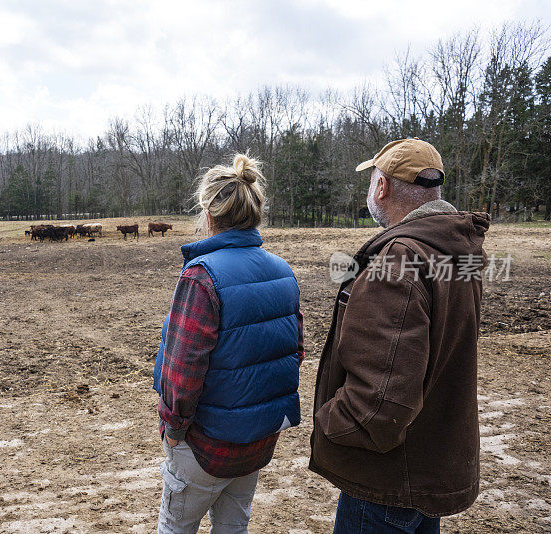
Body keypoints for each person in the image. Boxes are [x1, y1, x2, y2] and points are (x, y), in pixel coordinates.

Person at [309, 138, 490, 533]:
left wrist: (332, 422)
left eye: (372, 179)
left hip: (386, 475)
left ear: (382, 187)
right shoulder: (456, 249)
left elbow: (381, 399)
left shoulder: (398, 258)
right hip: (430, 457)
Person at [153, 154, 304, 534]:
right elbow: (294, 353)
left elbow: (182, 369)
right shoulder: (283, 271)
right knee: (234, 527)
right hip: (256, 441)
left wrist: (173, 429)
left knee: (175, 528)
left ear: (208, 212)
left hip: (206, 445)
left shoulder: (201, 277)